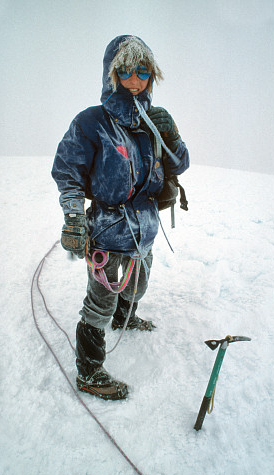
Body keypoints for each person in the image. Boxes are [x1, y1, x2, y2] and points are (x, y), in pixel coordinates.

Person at [51, 35, 189, 401]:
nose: (134, 80)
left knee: (137, 287)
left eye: (142, 71)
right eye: (126, 70)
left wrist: (171, 135)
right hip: (109, 233)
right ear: (112, 73)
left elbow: (181, 165)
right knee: (100, 302)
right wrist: (73, 217)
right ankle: (90, 371)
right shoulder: (91, 122)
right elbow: (67, 171)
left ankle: (124, 317)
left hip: (145, 229)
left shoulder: (153, 122)